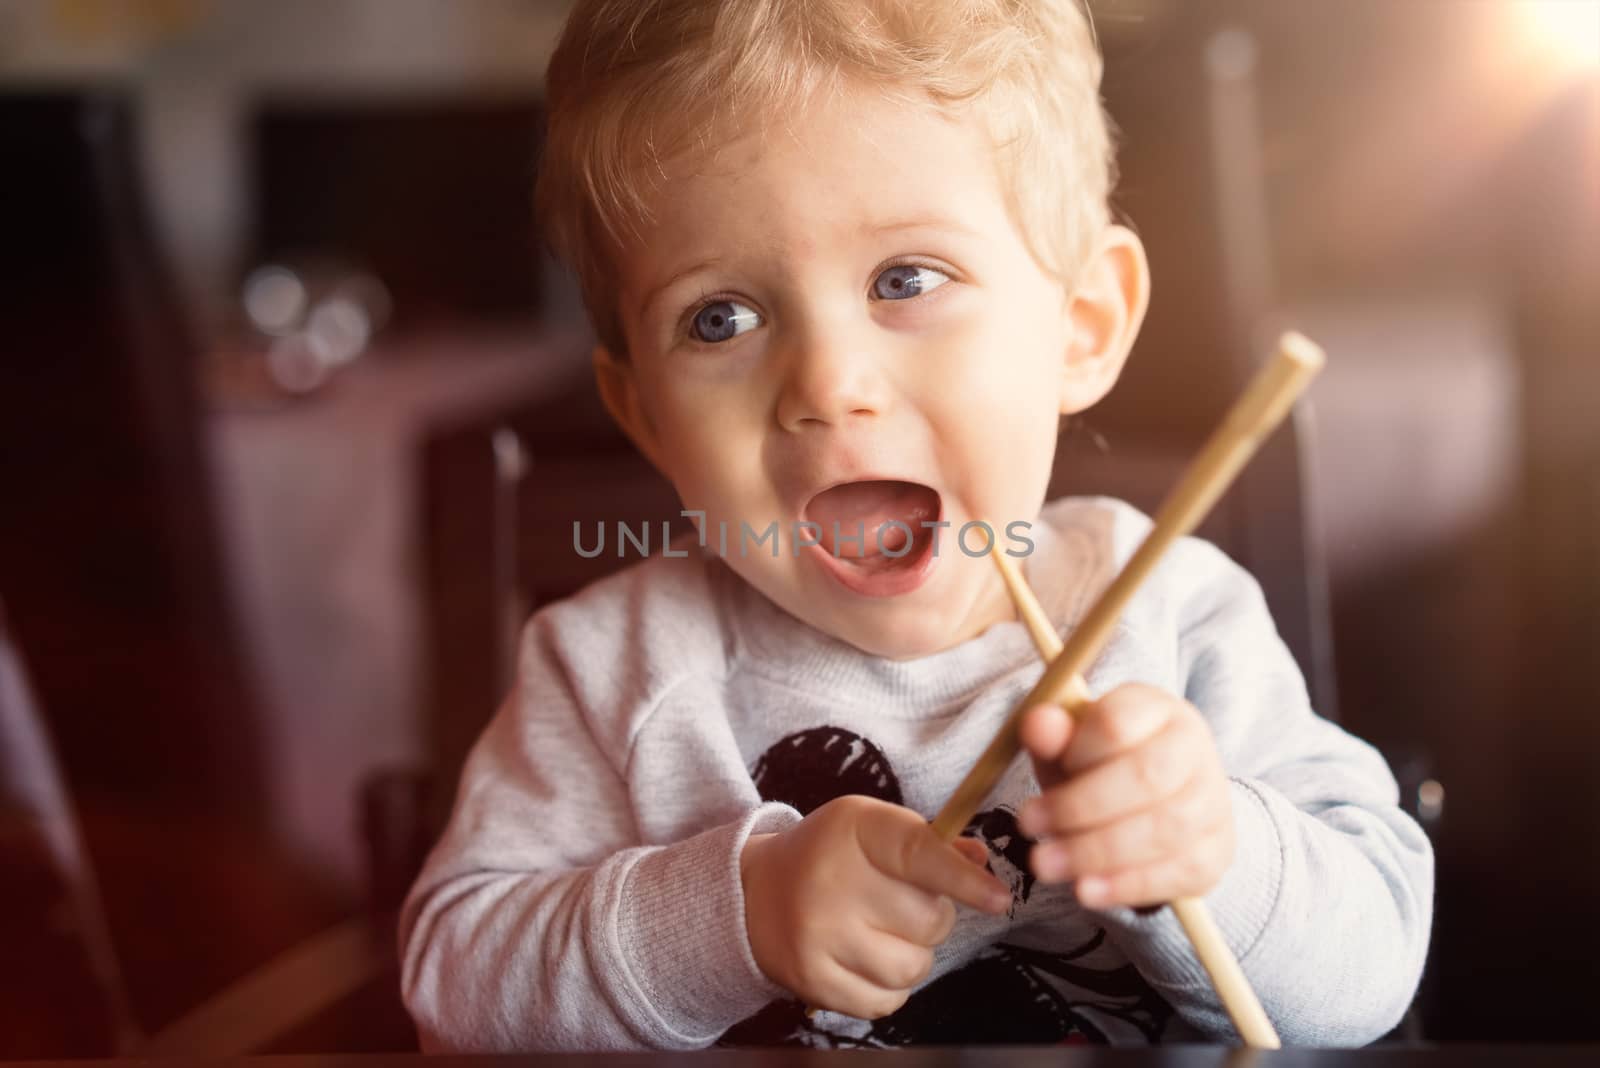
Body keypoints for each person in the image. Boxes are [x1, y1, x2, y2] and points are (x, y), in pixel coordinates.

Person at [399, 0, 1433, 1049]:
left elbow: (1376, 965)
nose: (829, 385)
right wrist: (738, 916)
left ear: (1081, 327)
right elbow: (453, 980)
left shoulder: (1174, 618)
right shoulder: (610, 669)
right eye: (720, 316)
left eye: (906, 279)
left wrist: (1216, 851)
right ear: (646, 417)